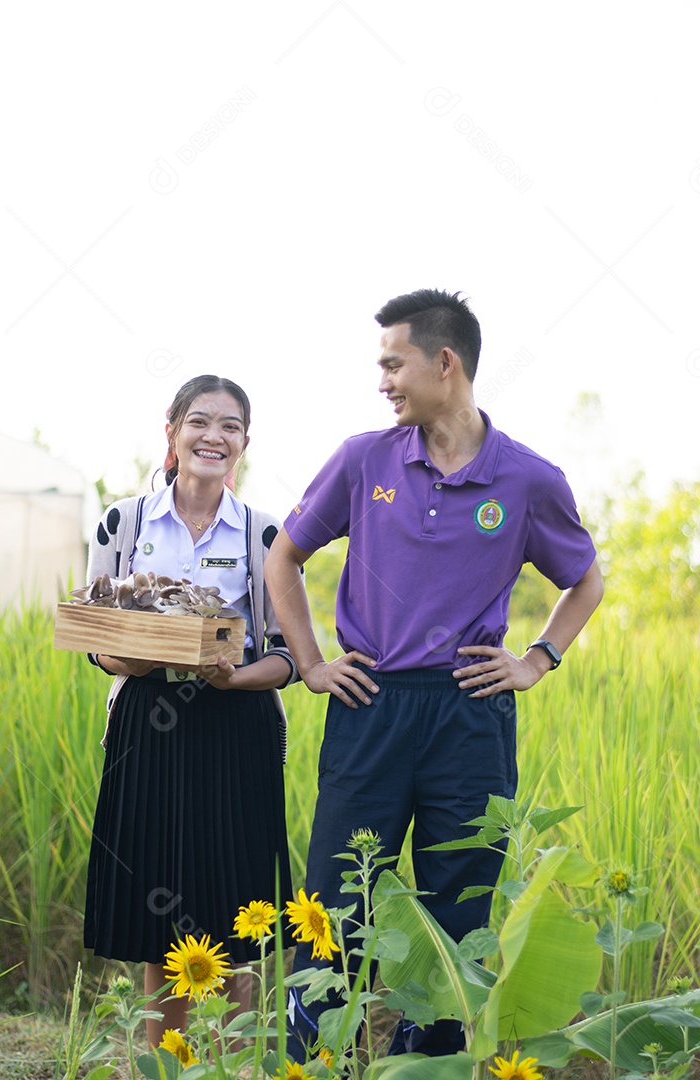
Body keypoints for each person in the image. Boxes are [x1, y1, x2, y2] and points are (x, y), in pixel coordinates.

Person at [264, 288, 604, 1060]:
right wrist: (312, 665)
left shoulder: (528, 479)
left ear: (444, 363)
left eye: (394, 364)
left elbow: (585, 579)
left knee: (460, 912)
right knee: (337, 904)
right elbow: (284, 555)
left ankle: (431, 1064)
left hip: (469, 717)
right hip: (372, 705)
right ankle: (312, 1064)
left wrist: (536, 660)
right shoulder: (363, 459)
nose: (383, 381)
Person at [83, 374, 297, 1048]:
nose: (214, 437)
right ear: (172, 430)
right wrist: (138, 656)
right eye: (200, 421)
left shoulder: (266, 533)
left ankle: (232, 1059)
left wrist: (232, 677)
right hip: (151, 726)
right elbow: (97, 642)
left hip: (237, 727)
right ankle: (162, 1060)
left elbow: (287, 657)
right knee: (160, 904)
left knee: (239, 906)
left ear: (244, 443)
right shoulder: (124, 522)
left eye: (230, 426)